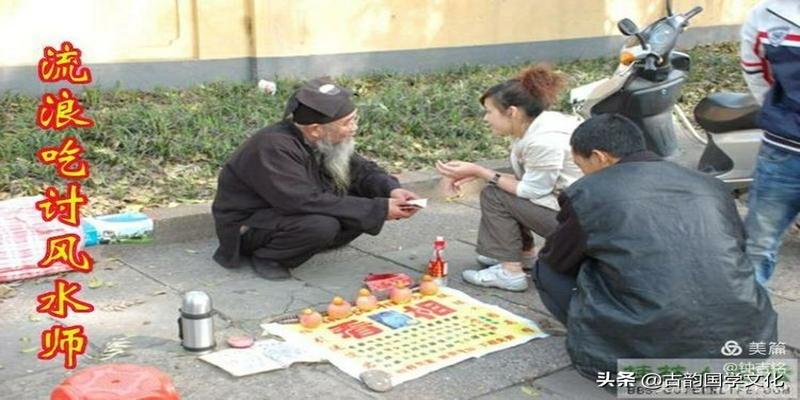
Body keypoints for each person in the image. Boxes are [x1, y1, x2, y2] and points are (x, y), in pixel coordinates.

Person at [535, 114, 777, 380]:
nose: (582, 173)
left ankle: (603, 341)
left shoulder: (589, 191)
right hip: (747, 339)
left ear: (599, 156)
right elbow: (736, 248)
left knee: (545, 269)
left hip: (651, 352)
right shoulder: (711, 185)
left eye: (581, 165)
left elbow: (557, 260)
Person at [212, 78, 420, 280]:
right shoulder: (273, 147)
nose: (355, 128)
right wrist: (379, 209)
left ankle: (307, 243)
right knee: (322, 224)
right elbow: (300, 200)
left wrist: (390, 190)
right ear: (315, 129)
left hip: (285, 212)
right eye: (348, 123)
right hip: (250, 222)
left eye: (355, 119)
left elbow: (363, 170)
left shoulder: (323, 139)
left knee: (361, 198)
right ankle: (269, 257)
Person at [435, 64, 582, 292]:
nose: (486, 119)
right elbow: (534, 181)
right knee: (499, 189)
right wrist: (477, 174)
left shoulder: (544, 140)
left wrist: (481, 173)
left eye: (489, 111)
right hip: (574, 213)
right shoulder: (540, 124)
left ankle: (510, 272)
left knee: (495, 195)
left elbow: (530, 191)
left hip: (578, 225)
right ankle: (522, 257)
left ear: (512, 112)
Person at [740, 0, 800, 286]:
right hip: (783, 151)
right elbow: (754, 71)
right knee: (757, 248)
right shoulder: (764, 15)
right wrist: (784, 117)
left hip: (782, 148)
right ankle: (749, 330)